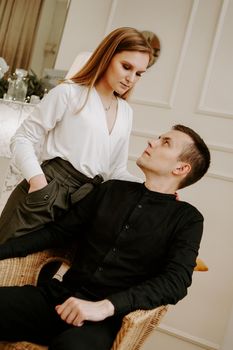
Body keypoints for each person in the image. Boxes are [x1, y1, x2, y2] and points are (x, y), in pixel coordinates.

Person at [0, 124, 210, 350]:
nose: (152, 142)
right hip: (56, 299)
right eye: (158, 137)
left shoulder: (188, 219)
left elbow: (175, 282)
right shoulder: (111, 190)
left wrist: (106, 306)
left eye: (165, 143)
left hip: (104, 322)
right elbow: (57, 233)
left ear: (181, 168)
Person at [0, 27, 155, 243]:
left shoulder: (126, 112)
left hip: (83, 203)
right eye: (126, 67)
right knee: (5, 268)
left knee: (42, 274)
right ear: (107, 57)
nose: (131, 78)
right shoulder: (69, 93)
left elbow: (115, 170)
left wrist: (153, 190)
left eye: (139, 73)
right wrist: (37, 182)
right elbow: (22, 138)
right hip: (47, 189)